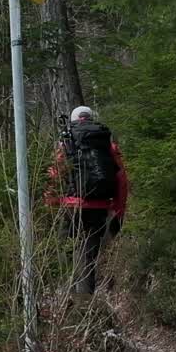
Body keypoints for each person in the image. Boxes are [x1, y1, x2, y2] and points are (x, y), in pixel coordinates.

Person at [45, 105, 128, 294]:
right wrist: (119, 210)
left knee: (64, 248)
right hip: (99, 205)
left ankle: (65, 295)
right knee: (89, 255)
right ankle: (84, 300)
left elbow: (55, 174)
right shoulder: (108, 145)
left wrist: (50, 201)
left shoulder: (66, 144)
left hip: (71, 204)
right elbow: (121, 180)